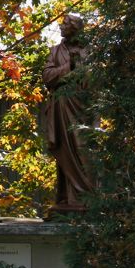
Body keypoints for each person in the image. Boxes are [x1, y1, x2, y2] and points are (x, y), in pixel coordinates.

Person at [42, 14, 92, 213]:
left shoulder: (89, 52)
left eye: (65, 23)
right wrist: (68, 67)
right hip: (62, 110)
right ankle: (66, 199)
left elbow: (92, 79)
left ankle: (87, 197)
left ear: (76, 28)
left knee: (83, 150)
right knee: (65, 150)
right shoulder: (55, 51)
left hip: (83, 110)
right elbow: (47, 77)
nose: (61, 26)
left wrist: (78, 72)